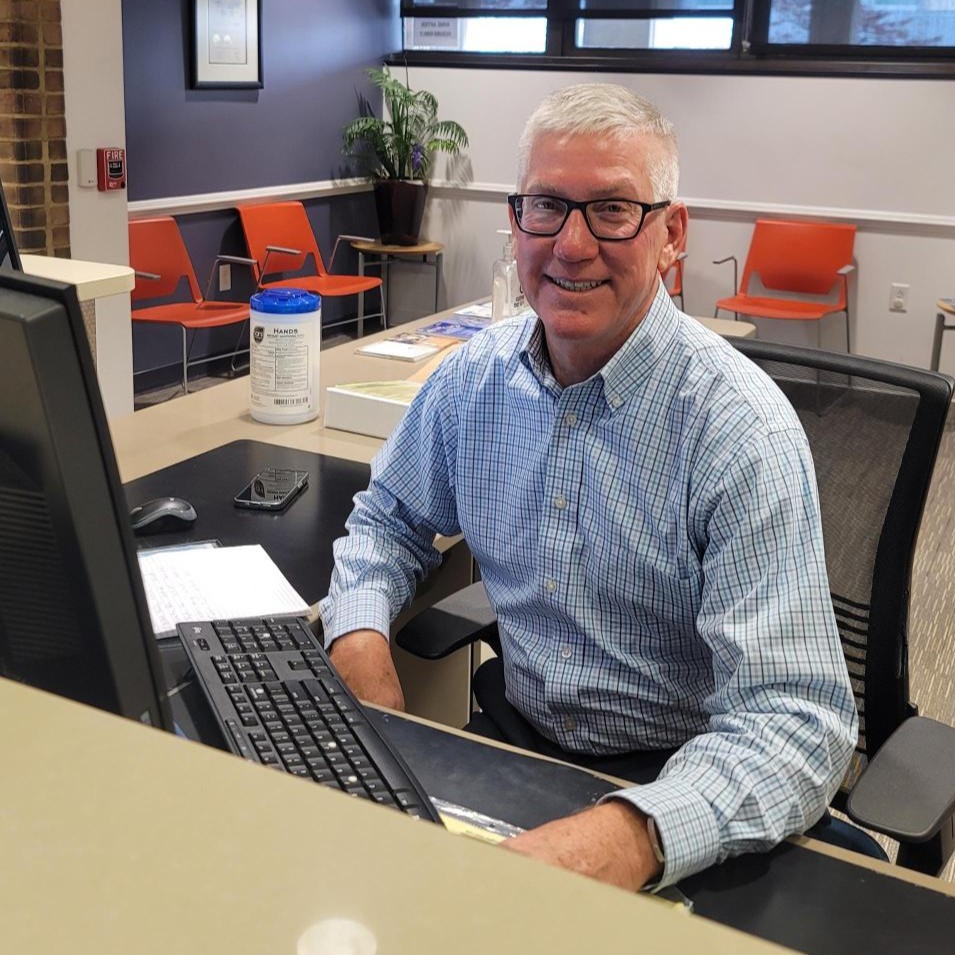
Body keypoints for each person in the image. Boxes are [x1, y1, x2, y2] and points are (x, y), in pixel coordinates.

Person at [319, 83, 857, 891]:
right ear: (515, 221)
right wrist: (358, 636)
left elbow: (795, 722)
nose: (570, 245)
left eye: (611, 210)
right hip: (518, 742)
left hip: (686, 780)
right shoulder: (473, 380)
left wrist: (630, 835)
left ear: (671, 234)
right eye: (545, 206)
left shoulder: (740, 432)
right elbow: (387, 521)